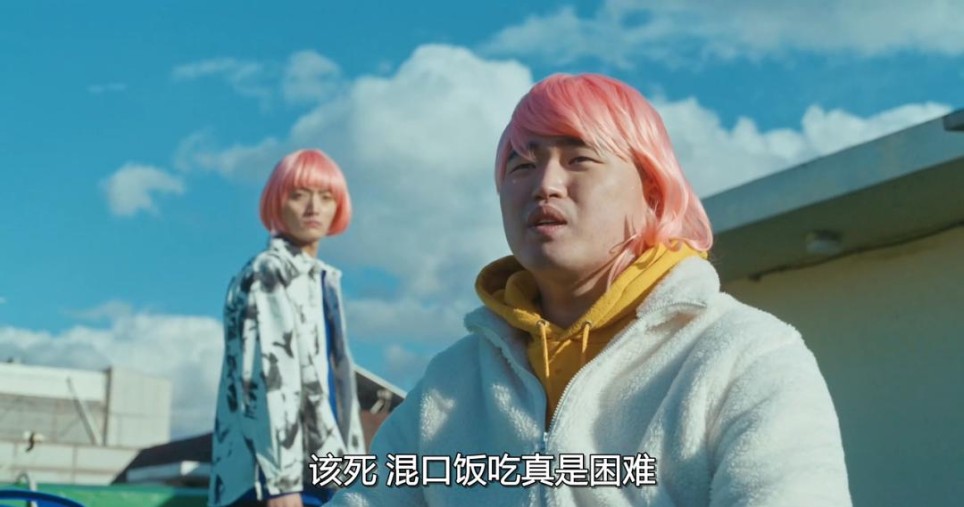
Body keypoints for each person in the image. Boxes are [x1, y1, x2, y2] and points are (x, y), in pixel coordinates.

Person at [328, 74, 851, 506]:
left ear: (652, 192)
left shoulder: (746, 354)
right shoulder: (452, 382)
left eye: (579, 159)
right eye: (522, 165)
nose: (545, 185)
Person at [210, 149, 367, 507]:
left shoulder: (322, 280)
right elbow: (266, 377)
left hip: (322, 476)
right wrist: (281, 484)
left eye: (326, 197)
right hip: (273, 484)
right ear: (277, 202)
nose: (314, 208)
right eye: (299, 195)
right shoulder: (267, 272)